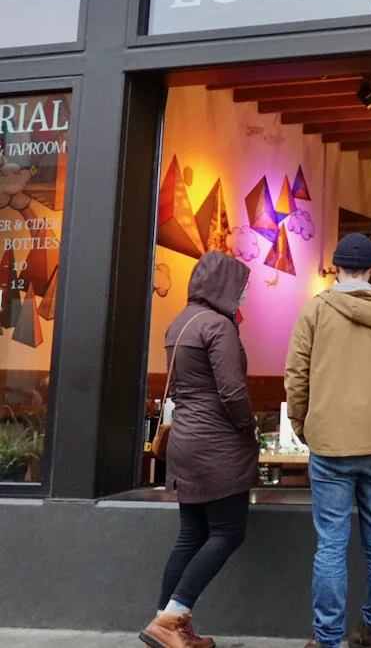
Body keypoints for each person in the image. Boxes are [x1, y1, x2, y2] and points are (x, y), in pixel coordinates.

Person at [284, 234, 371, 648]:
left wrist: (302, 425)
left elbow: (296, 376)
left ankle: (327, 637)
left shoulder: (314, 310)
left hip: (328, 444)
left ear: (335, 268)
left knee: (331, 544)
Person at [141, 250, 256, 648]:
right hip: (217, 445)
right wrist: (249, 426)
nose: (244, 295)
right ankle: (171, 619)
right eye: (241, 287)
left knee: (191, 535)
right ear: (225, 286)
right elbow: (232, 391)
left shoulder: (180, 322)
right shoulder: (218, 326)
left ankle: (166, 623)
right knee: (227, 532)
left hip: (185, 442)